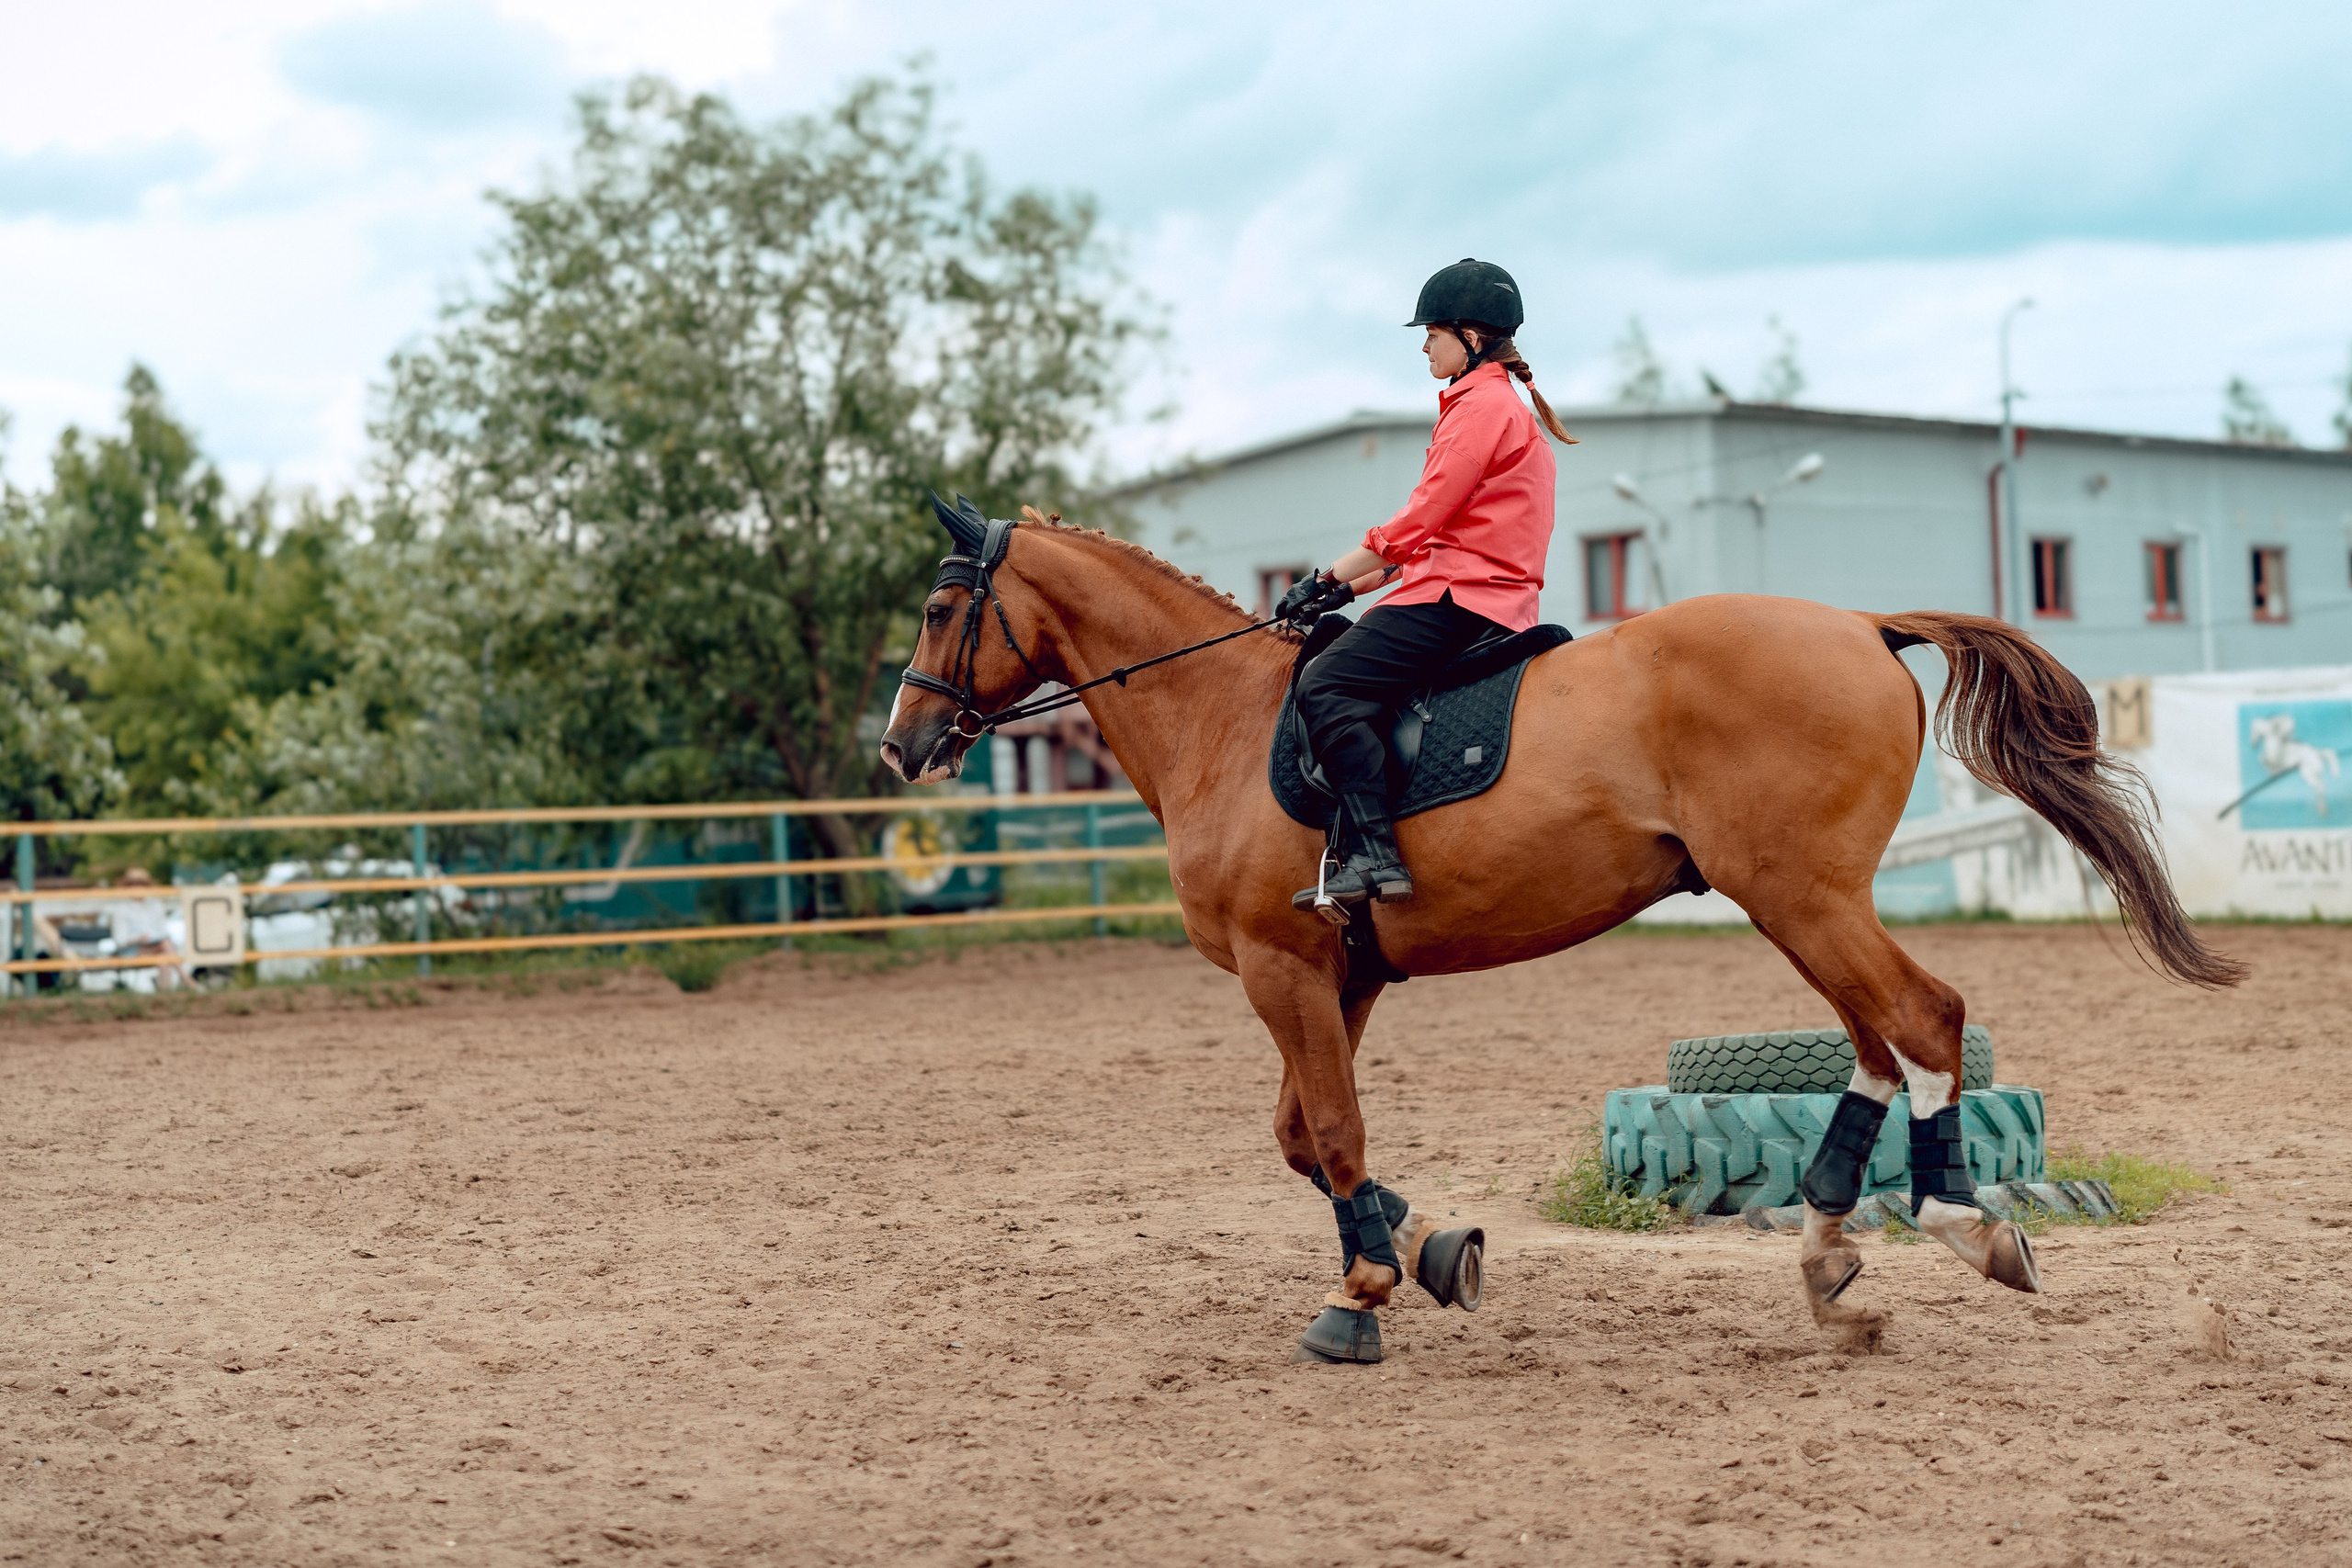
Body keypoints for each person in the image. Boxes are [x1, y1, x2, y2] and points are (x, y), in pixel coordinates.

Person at [1276, 258, 1575, 907]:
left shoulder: (1481, 407)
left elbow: (1419, 520)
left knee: (1325, 683)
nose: (1424, 346)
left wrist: (1326, 574)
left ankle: (1375, 856)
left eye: (1433, 334)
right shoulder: (1495, 405)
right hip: (1473, 592)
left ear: (1471, 336)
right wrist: (1344, 591)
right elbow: (1438, 538)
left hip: (1460, 600)